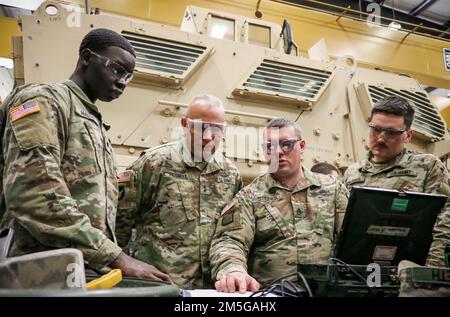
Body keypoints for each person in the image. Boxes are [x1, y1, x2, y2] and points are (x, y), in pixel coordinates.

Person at [0, 28, 169, 282]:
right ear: (87, 58)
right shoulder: (45, 101)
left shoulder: (94, 122)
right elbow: (34, 193)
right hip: (38, 274)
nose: (123, 81)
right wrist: (115, 257)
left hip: (82, 271)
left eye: (129, 76)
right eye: (117, 69)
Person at [115, 94, 242, 289]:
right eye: (200, 127)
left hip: (210, 289)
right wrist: (118, 267)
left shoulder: (230, 174)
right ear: (185, 124)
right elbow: (119, 222)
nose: (208, 137)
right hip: (159, 284)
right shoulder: (154, 163)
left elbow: (231, 232)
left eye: (216, 129)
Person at [209, 118, 348, 293]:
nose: (279, 152)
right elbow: (229, 240)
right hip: (272, 294)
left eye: (287, 144)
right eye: (270, 146)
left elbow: (354, 240)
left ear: (302, 146)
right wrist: (233, 270)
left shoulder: (333, 189)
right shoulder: (249, 197)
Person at [343, 96, 450, 267]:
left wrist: (431, 272)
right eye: (376, 129)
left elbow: (445, 222)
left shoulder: (427, 166)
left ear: (407, 135)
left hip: (411, 269)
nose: (380, 138)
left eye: (391, 133)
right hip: (358, 269)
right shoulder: (353, 173)